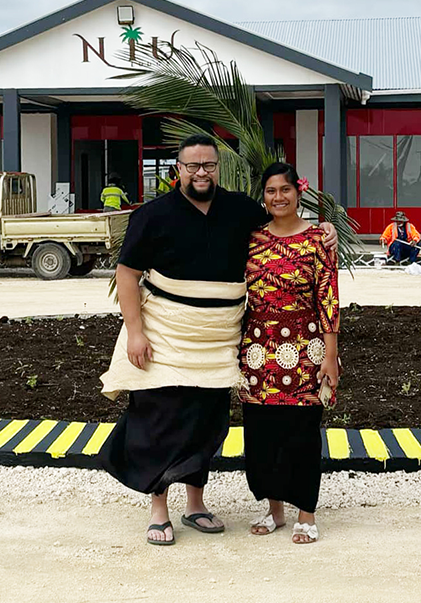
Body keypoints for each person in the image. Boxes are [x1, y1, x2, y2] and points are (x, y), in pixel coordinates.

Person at [99, 135, 337, 546]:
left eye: (208, 165)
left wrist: (325, 228)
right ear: (179, 170)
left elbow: (285, 227)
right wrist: (135, 331)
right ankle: (159, 509)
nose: (201, 172)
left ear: (217, 168)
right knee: (160, 418)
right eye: (192, 166)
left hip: (219, 336)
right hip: (166, 331)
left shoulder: (240, 210)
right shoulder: (152, 215)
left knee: (205, 422)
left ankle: (195, 504)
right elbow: (127, 274)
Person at [240, 162, 340, 545]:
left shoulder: (319, 240)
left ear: (299, 192)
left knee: (301, 433)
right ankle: (274, 509)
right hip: (257, 350)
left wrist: (330, 356)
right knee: (262, 433)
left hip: (307, 347)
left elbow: (328, 299)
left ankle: (306, 513)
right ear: (262, 196)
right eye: (270, 191)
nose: (277, 197)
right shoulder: (250, 238)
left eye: (285, 190)